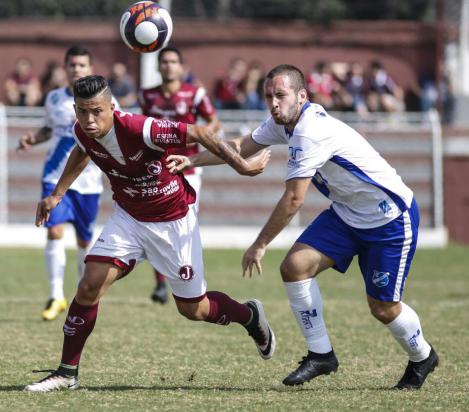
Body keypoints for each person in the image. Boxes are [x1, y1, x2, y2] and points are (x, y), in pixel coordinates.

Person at [170, 64, 439, 390]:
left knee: (383, 308)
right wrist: (192, 161)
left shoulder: (310, 131)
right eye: (268, 96)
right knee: (295, 267)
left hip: (389, 219)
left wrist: (260, 243)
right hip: (348, 213)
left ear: (302, 96)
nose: (273, 103)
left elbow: (294, 200)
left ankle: (423, 356)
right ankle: (321, 354)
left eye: (280, 95)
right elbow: (240, 146)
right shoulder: (284, 123)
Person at [24, 75, 274, 392]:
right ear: (75, 109)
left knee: (194, 309)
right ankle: (66, 373)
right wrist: (58, 193)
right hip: (129, 218)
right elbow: (81, 150)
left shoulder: (141, 128)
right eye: (83, 112)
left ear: (111, 107)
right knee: (89, 285)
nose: (89, 120)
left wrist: (242, 165)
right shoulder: (82, 130)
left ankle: (248, 316)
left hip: (173, 222)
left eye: (97, 111)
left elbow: (199, 132)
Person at [17, 45, 102, 321]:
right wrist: (33, 138)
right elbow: (48, 129)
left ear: (90, 69)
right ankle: (56, 296)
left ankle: (82, 296)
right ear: (65, 69)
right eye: (72, 65)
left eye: (82, 65)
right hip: (54, 176)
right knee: (54, 232)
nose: (77, 69)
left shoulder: (103, 99)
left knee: (84, 240)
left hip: (88, 181)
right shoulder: (54, 98)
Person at [139, 46, 221, 304]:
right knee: (157, 223)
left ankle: (188, 274)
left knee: (186, 222)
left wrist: (201, 136)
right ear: (158, 66)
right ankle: (161, 283)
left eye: (173, 61)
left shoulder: (195, 93)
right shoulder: (147, 95)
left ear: (181, 67)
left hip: (189, 167)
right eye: (164, 61)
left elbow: (214, 122)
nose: (168, 66)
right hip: (157, 168)